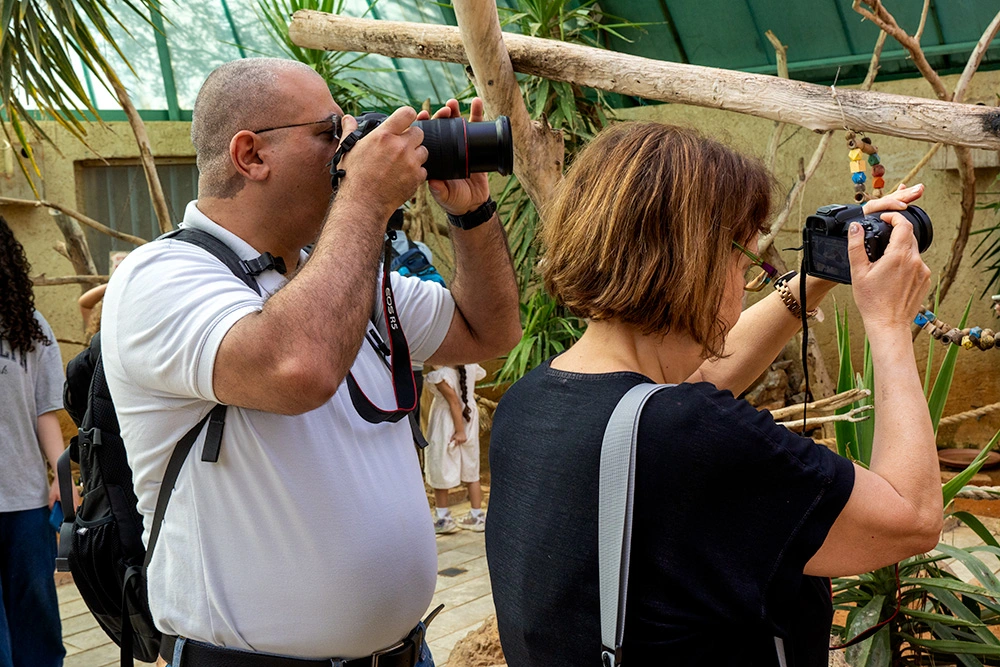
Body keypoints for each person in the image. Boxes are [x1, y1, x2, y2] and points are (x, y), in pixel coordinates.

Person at [100, 58, 521, 666]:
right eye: (330, 131)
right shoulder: (162, 277)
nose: (350, 144)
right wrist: (367, 196)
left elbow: (490, 330)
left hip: (404, 653)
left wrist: (470, 213)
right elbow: (298, 367)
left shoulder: (342, 279)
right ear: (251, 156)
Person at [485, 122, 940, 666]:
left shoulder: (532, 401)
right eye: (744, 259)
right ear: (695, 260)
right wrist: (889, 323)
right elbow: (911, 518)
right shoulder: (691, 438)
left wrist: (818, 274)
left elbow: (676, 395)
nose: (746, 281)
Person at [0, 215, 76, 667]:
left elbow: (46, 414)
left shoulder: (29, 325)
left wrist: (62, 481)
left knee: (37, 625)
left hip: (26, 502)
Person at [424, 363, 487, 533]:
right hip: (469, 417)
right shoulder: (471, 366)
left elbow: (454, 402)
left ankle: (443, 518)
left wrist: (459, 431)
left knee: (440, 466)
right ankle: (477, 515)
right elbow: (477, 377)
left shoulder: (441, 375)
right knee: (471, 468)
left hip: (447, 421)